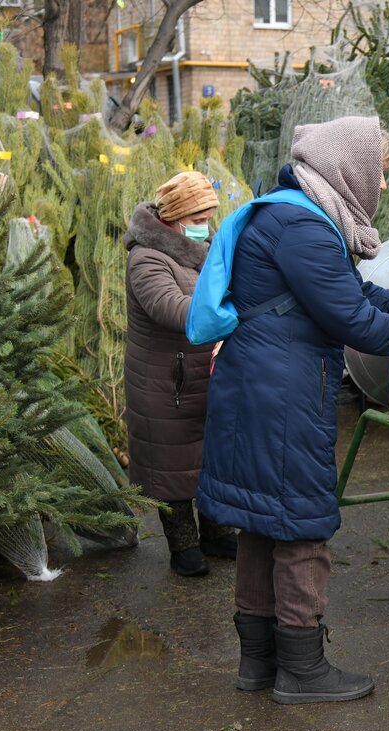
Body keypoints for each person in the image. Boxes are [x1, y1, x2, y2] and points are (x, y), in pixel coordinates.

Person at [196, 116, 389, 704]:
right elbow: (355, 322)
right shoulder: (303, 227)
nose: (381, 185)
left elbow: (361, 294)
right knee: (302, 524)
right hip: (282, 397)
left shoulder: (294, 213)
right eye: (378, 173)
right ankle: (303, 669)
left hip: (257, 387)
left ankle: (260, 663)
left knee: (261, 522)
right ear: (349, 169)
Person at [124, 171, 238, 578]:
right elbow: (172, 308)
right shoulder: (146, 258)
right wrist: (235, 318)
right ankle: (183, 546)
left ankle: (217, 532)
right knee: (170, 466)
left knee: (208, 458)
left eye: (209, 216)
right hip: (164, 383)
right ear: (176, 217)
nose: (205, 225)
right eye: (199, 216)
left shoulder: (205, 248)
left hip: (201, 375)